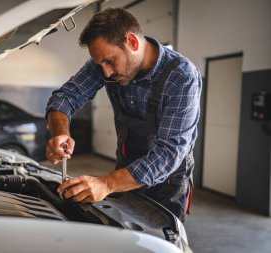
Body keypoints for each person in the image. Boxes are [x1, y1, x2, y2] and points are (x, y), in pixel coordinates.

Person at [45, 8, 201, 222]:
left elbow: (169, 153)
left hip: (168, 184)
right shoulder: (103, 64)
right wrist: (59, 133)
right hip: (125, 171)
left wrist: (106, 184)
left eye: (109, 61)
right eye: (101, 64)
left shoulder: (181, 76)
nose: (106, 72)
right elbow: (65, 97)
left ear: (132, 42)